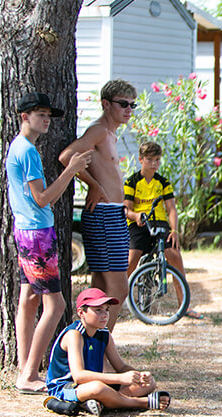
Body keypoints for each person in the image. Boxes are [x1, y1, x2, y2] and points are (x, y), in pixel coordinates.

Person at [6, 93, 92, 394]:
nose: (46, 119)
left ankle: (23, 367)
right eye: (39, 113)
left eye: (47, 114)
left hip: (26, 231)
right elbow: (43, 198)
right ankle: (29, 375)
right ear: (23, 117)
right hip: (37, 233)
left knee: (29, 300)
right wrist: (72, 169)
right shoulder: (26, 151)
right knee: (55, 306)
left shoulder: (18, 147)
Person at [59, 79, 136, 332]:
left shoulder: (110, 133)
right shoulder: (99, 130)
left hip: (113, 214)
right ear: (106, 104)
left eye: (132, 105)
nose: (129, 109)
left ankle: (91, 347)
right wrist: (92, 184)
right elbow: (67, 156)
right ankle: (101, 347)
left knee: (101, 288)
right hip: (103, 215)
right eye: (123, 104)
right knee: (118, 288)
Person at [44, 287, 171, 414]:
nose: (104, 315)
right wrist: (120, 378)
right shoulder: (75, 334)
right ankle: (142, 403)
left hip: (93, 384)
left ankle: (103, 402)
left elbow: (121, 366)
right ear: (81, 313)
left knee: (149, 383)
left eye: (107, 310)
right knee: (98, 388)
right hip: (66, 387)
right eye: (98, 310)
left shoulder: (104, 334)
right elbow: (79, 376)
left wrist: (138, 375)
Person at [123, 141, 201, 319]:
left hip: (160, 224)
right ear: (141, 160)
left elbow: (171, 208)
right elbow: (126, 209)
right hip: (139, 224)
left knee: (174, 256)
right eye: (150, 159)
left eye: (157, 160)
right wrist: (136, 216)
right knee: (131, 260)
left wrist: (174, 230)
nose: (153, 163)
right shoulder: (132, 182)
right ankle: (115, 300)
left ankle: (184, 305)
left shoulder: (163, 183)